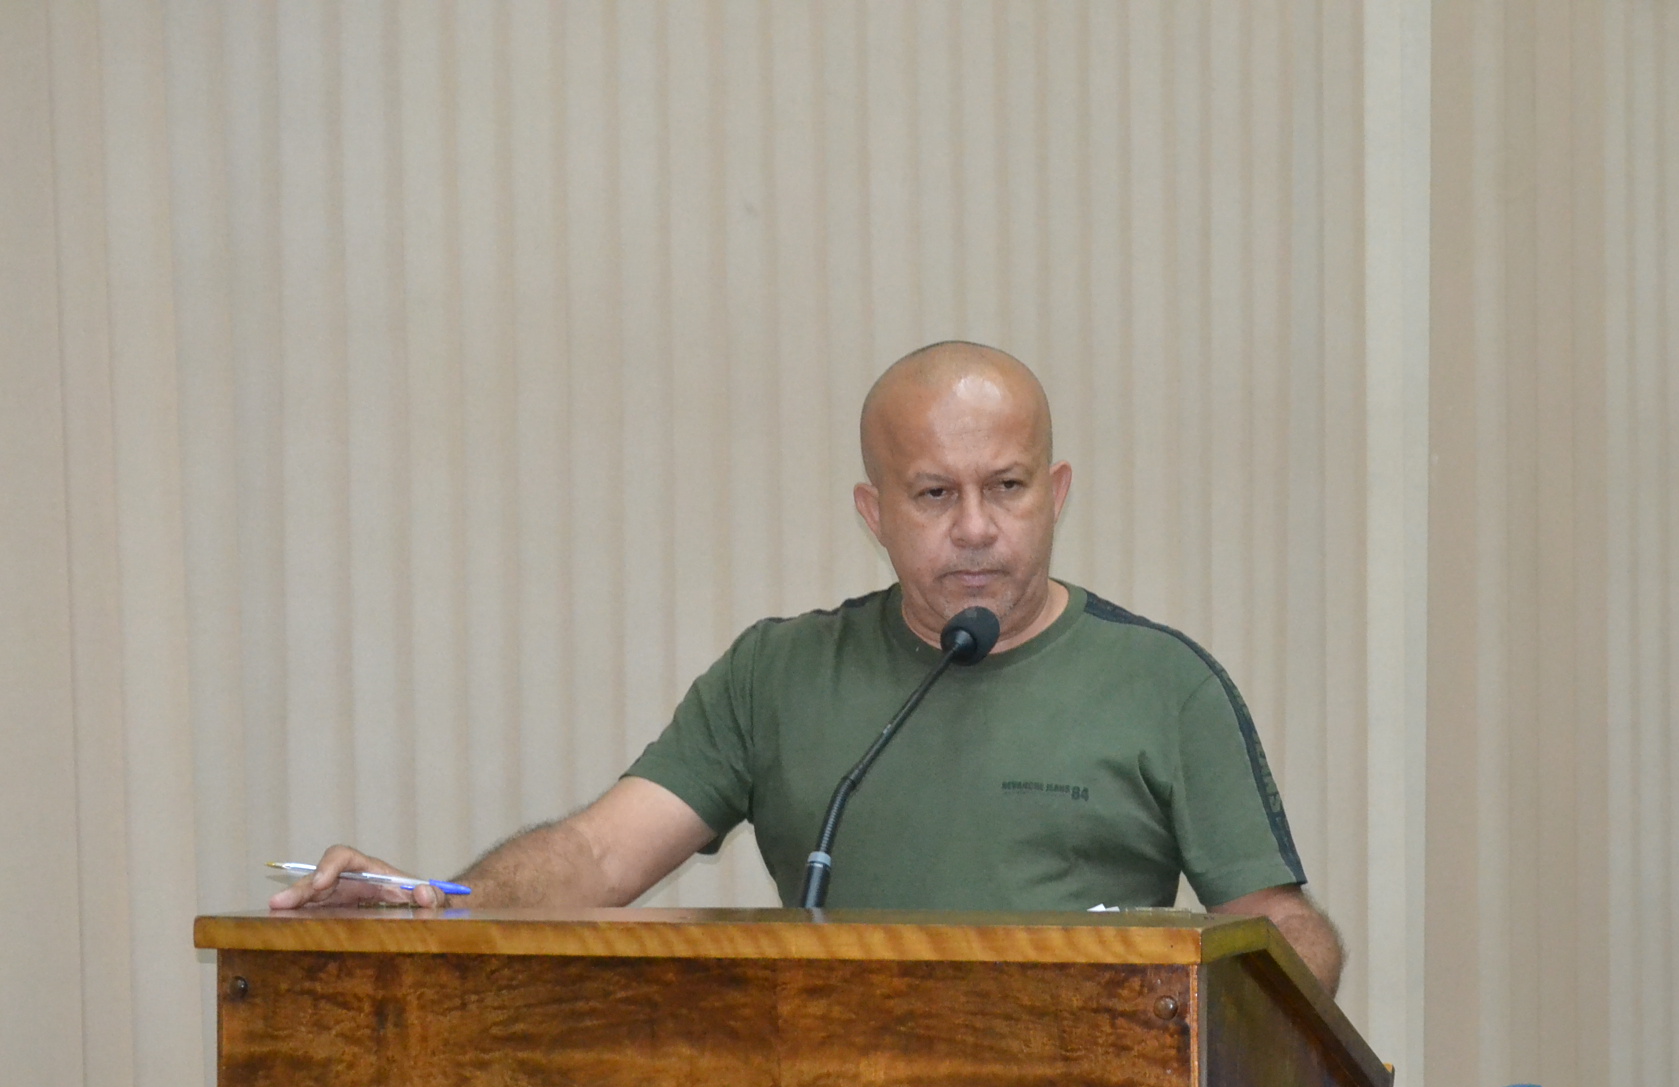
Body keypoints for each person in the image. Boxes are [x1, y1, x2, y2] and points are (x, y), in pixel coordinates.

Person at [274, 341, 1345, 993]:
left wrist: (1261, 959)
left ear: (1055, 494)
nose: (977, 527)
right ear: (874, 514)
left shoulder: (1163, 686)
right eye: (935, 495)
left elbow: (1288, 933)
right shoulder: (779, 675)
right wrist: (436, 905)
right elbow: (597, 858)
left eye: (1007, 488)